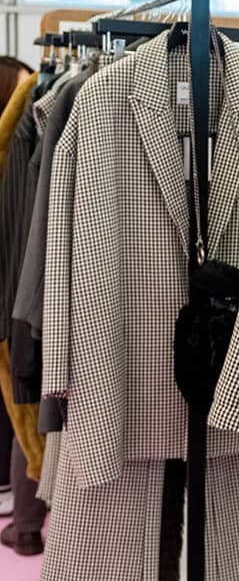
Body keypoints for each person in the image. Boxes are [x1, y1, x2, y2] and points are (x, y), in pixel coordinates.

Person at [0, 55, 47, 556]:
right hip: (20, 287)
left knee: (24, 403)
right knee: (26, 405)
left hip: (15, 288)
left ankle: (26, 519)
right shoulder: (20, 125)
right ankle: (29, 520)